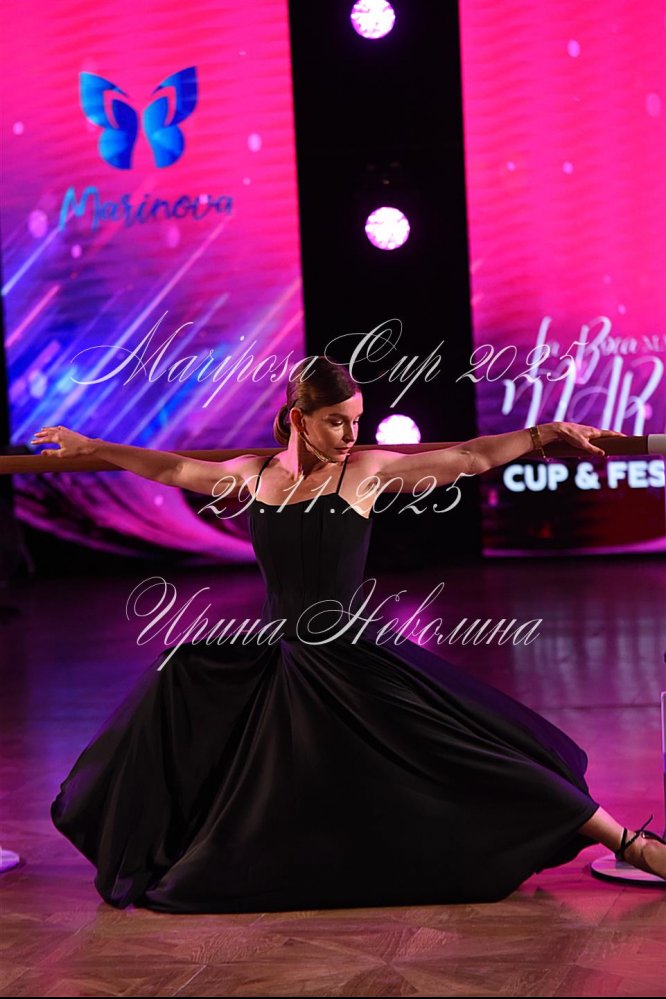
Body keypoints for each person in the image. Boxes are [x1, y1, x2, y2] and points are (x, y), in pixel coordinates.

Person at [37, 356, 666, 913]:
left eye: (357, 421)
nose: (350, 434)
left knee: (474, 749)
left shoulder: (363, 472)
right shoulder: (255, 476)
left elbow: (469, 457)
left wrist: (540, 433)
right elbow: (174, 468)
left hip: (352, 656)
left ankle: (628, 843)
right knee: (178, 679)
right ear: (298, 419)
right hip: (279, 659)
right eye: (337, 421)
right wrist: (93, 446)